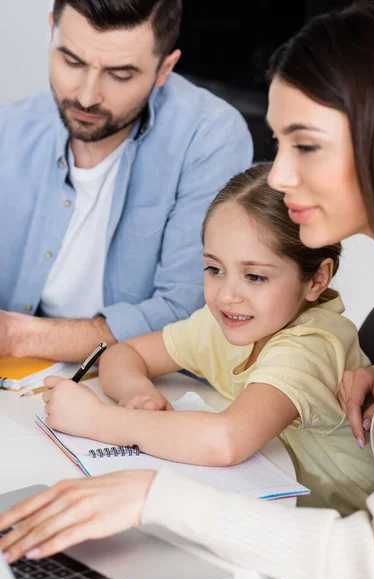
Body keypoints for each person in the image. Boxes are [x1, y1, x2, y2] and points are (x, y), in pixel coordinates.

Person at [1, 2, 374, 579]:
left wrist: (144, 485)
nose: (281, 177)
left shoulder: (204, 134)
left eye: (305, 146)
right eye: (212, 269)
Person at [39, 163, 374, 517]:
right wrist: (136, 393)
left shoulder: (312, 344)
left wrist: (96, 420)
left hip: (338, 533)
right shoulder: (222, 324)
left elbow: (226, 441)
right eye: (215, 269)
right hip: (267, 508)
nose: (227, 295)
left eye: (255, 277)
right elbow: (125, 353)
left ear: (316, 279)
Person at [0, 0, 252, 363]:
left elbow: (188, 316)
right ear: (52, 29)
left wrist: (20, 336)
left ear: (164, 69)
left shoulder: (209, 137)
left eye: (120, 75)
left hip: (145, 384)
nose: (86, 96)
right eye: (72, 61)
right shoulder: (12, 129)